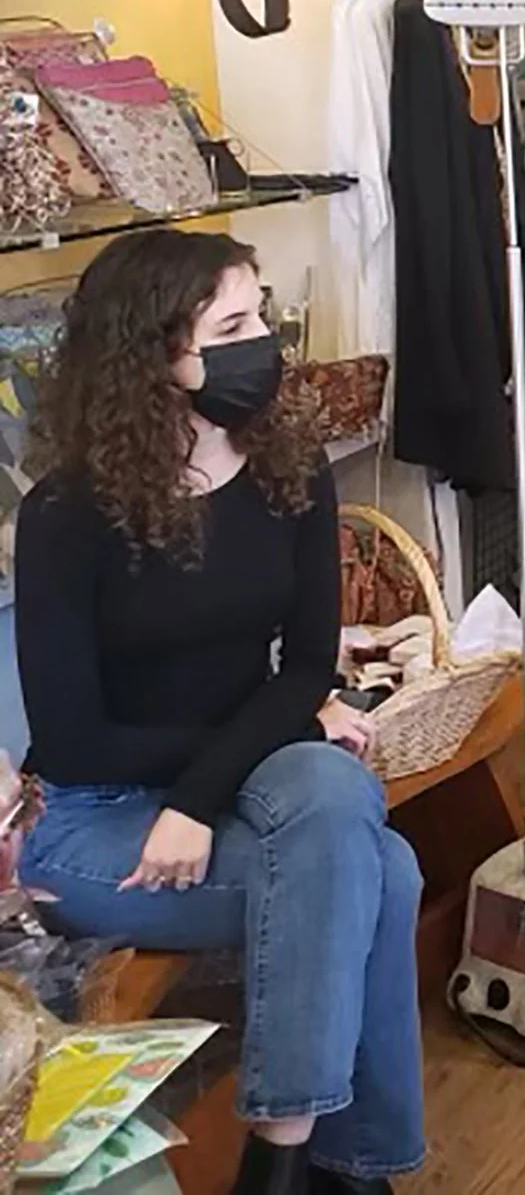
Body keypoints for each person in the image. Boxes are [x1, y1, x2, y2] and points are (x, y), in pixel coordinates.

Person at [14, 231, 426, 1195]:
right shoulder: (67, 516)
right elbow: (71, 740)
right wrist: (217, 778)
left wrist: (201, 795)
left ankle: (277, 1159)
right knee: (384, 869)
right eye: (233, 326)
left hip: (230, 789)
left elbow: (308, 669)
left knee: (328, 790)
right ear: (157, 355)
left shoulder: (289, 468)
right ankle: (345, 1168)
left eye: (261, 316)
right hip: (98, 819)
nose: (264, 344)